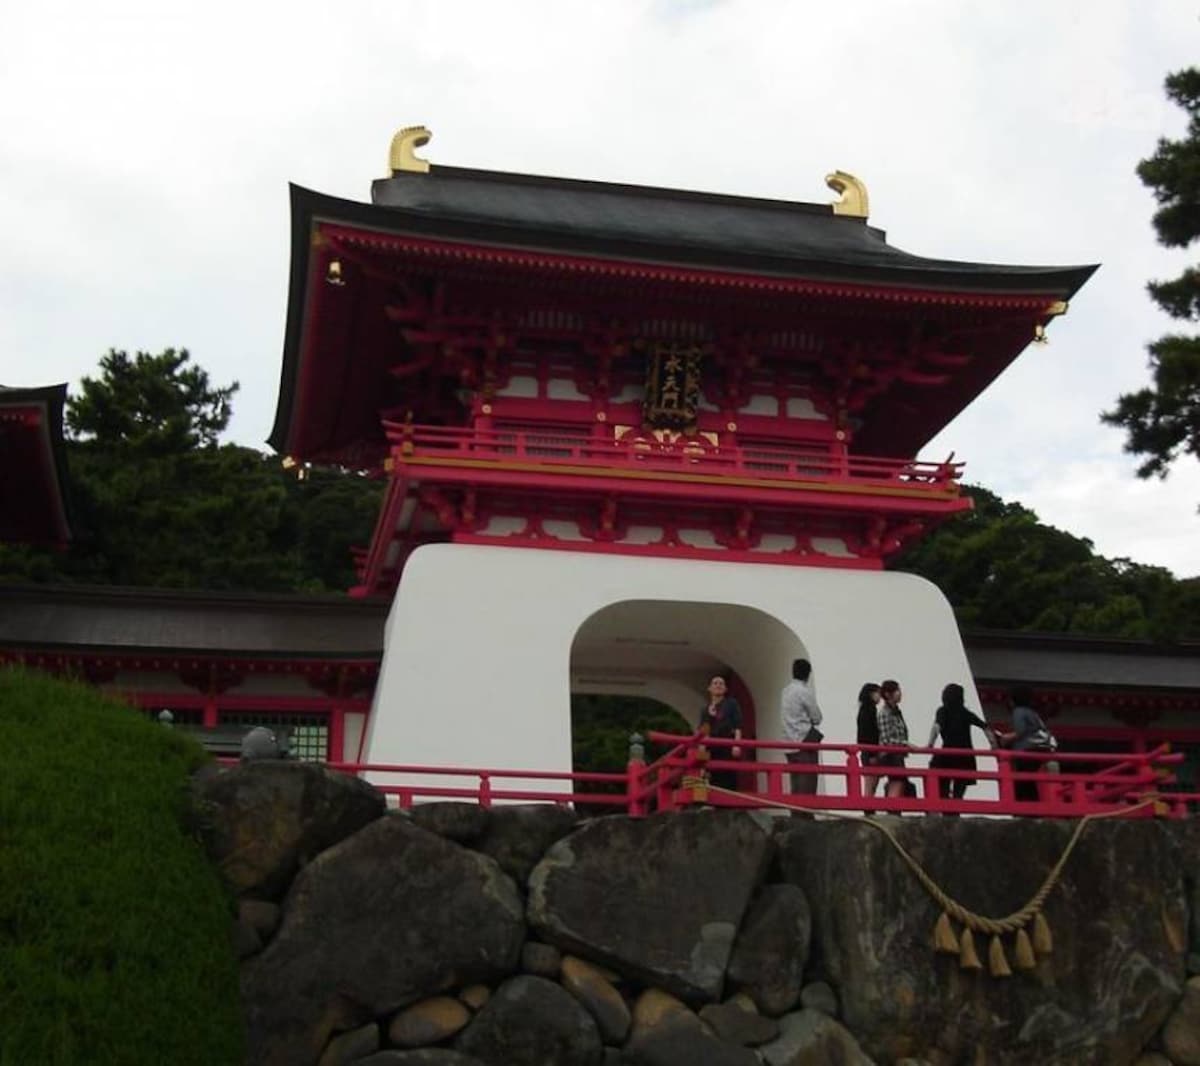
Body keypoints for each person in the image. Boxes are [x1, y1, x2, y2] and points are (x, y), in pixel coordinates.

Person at [927, 683, 994, 806]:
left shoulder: (943, 710)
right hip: (966, 755)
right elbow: (985, 727)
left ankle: (945, 809)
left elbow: (937, 726)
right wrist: (993, 745)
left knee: (942, 784)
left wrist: (930, 744)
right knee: (959, 791)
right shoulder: (966, 713)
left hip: (947, 753)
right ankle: (955, 809)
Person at [995, 686, 1056, 802]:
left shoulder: (1018, 712)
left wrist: (1004, 738)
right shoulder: (1032, 713)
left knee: (1021, 781)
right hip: (1038, 750)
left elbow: (1020, 731)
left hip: (1026, 750)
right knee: (1028, 780)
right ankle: (1034, 807)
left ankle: (1026, 808)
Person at [780, 658, 823, 796]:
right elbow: (817, 717)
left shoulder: (785, 691)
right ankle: (806, 813)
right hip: (804, 738)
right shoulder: (804, 691)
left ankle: (796, 812)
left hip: (788, 740)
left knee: (796, 778)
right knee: (808, 779)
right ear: (808, 674)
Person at [698, 674, 742, 792]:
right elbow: (703, 733)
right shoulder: (705, 709)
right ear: (709, 688)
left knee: (728, 775)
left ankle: (729, 804)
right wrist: (701, 754)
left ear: (725, 689)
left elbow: (737, 726)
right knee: (712, 775)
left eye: (721, 683)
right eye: (715, 683)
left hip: (727, 744)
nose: (718, 685)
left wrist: (737, 744)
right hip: (712, 747)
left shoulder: (731, 704)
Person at [876, 679, 912, 799]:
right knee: (897, 781)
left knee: (899, 781)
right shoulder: (885, 713)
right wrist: (906, 744)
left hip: (898, 753)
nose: (900, 693)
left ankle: (893, 810)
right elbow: (886, 739)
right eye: (897, 690)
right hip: (891, 754)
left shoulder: (895, 711)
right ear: (888, 694)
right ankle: (892, 809)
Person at [855, 682, 883, 798]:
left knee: (870, 781)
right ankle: (868, 808)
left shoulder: (864, 709)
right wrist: (873, 753)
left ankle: (869, 807)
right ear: (871, 694)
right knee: (871, 782)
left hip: (866, 750)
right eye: (878, 693)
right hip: (870, 751)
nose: (880, 696)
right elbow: (869, 733)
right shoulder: (869, 710)